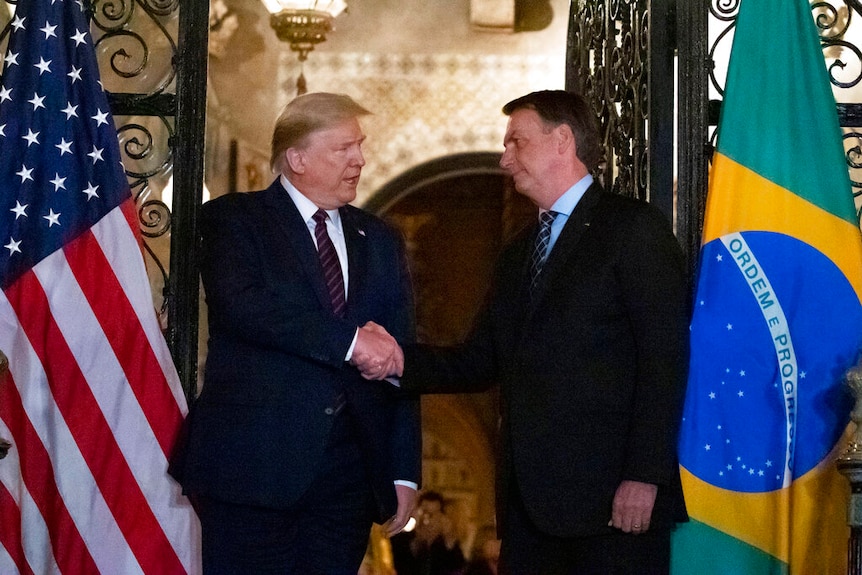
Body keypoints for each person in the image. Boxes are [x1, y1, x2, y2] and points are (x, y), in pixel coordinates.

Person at [364, 90, 689, 574]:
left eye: (517, 142)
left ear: (562, 141)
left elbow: (664, 359)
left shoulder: (632, 228)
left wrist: (644, 475)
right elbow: (479, 360)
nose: (504, 157)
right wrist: (398, 360)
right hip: (527, 513)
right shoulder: (519, 253)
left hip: (615, 505)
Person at [172, 92, 421, 574]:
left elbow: (399, 357)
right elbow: (246, 308)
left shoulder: (381, 238)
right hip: (252, 469)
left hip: (347, 482)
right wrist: (350, 342)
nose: (360, 159)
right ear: (297, 158)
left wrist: (405, 469)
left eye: (360, 145)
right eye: (344, 148)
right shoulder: (234, 220)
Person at [390, 490, 466, 575]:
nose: (429, 519)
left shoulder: (446, 543)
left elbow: (458, 567)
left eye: (434, 514)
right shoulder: (401, 540)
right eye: (425, 512)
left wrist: (449, 540)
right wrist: (418, 541)